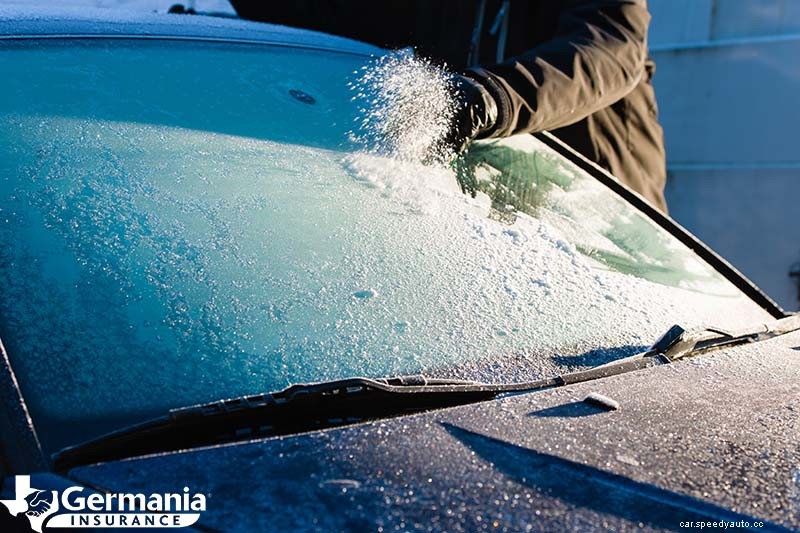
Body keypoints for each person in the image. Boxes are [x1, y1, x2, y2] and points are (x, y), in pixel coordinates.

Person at [230, 0, 668, 212]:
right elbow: (342, 14)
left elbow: (611, 49)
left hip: (605, 209)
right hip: (500, 212)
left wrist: (487, 97)